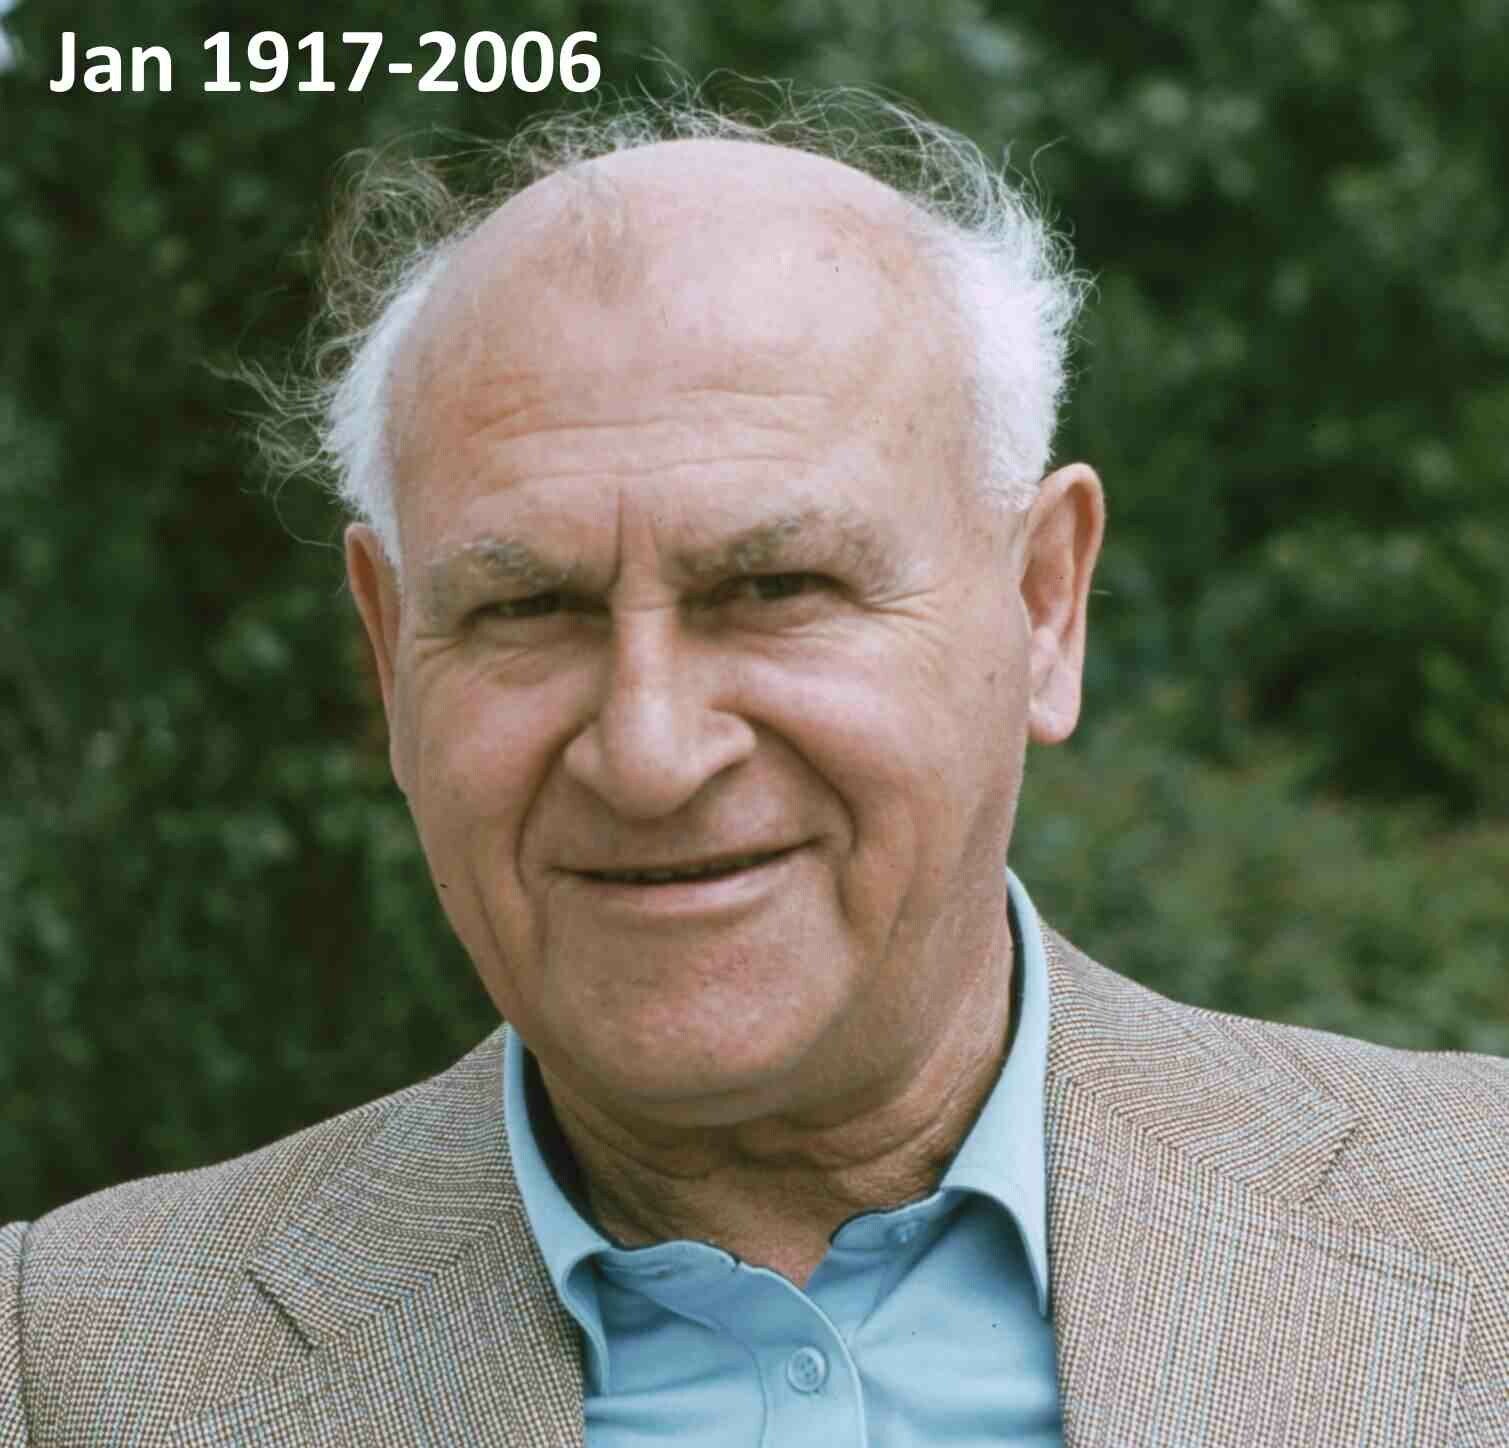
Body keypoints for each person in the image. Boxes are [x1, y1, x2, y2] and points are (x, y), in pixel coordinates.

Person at [3, 90, 1506, 1448]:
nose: (649, 754)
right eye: (528, 608)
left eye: (775, 588)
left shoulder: (1475, 1238)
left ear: (1045, 603)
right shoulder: (71, 1368)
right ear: (392, 658)